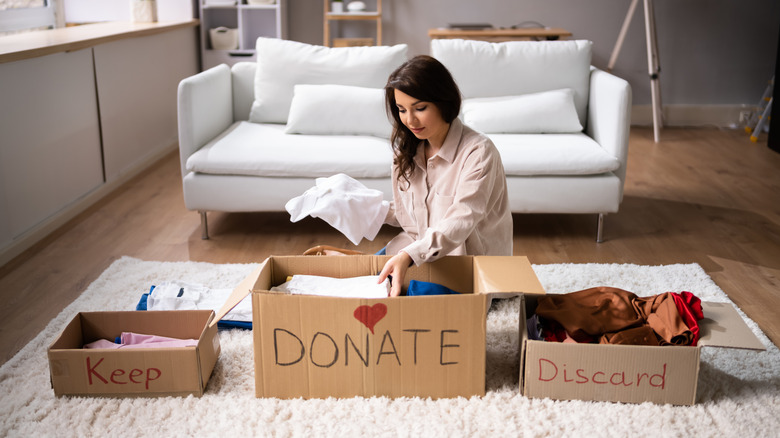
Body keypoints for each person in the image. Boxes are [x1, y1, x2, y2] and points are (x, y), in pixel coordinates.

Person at [377, 55, 513, 297]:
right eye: (401, 110)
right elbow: (410, 215)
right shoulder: (407, 150)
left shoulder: (479, 152)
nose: (410, 120)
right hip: (422, 251)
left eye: (420, 108)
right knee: (368, 278)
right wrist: (362, 208)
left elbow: (460, 220)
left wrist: (409, 255)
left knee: (404, 297)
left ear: (444, 102)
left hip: (466, 266)